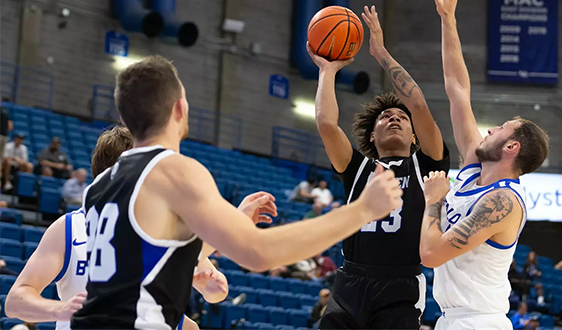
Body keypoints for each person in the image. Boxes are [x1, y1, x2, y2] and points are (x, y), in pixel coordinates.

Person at [74, 55, 403, 329]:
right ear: (179, 109)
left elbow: (150, 255)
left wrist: (235, 219)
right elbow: (258, 253)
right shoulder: (173, 169)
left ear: (123, 117)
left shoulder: (100, 187)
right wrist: (362, 210)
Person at [419, 0, 549, 330]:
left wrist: (434, 200)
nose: (489, 129)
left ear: (511, 146)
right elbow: (458, 88)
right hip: (452, 319)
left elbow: (430, 254)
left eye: (500, 128)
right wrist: (448, 20)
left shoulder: (503, 203)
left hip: (479, 323)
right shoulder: (474, 167)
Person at [4, 125, 227, 330]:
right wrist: (60, 310)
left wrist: (211, 287)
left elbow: (212, 293)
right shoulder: (70, 228)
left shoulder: (166, 231)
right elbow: (15, 301)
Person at [310, 3, 449, 330]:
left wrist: (381, 53)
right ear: (372, 134)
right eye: (386, 117)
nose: (395, 119)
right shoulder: (358, 168)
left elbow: (416, 103)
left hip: (400, 283)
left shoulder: (426, 164)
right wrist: (327, 71)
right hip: (351, 280)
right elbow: (327, 124)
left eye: (401, 118)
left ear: (414, 133)